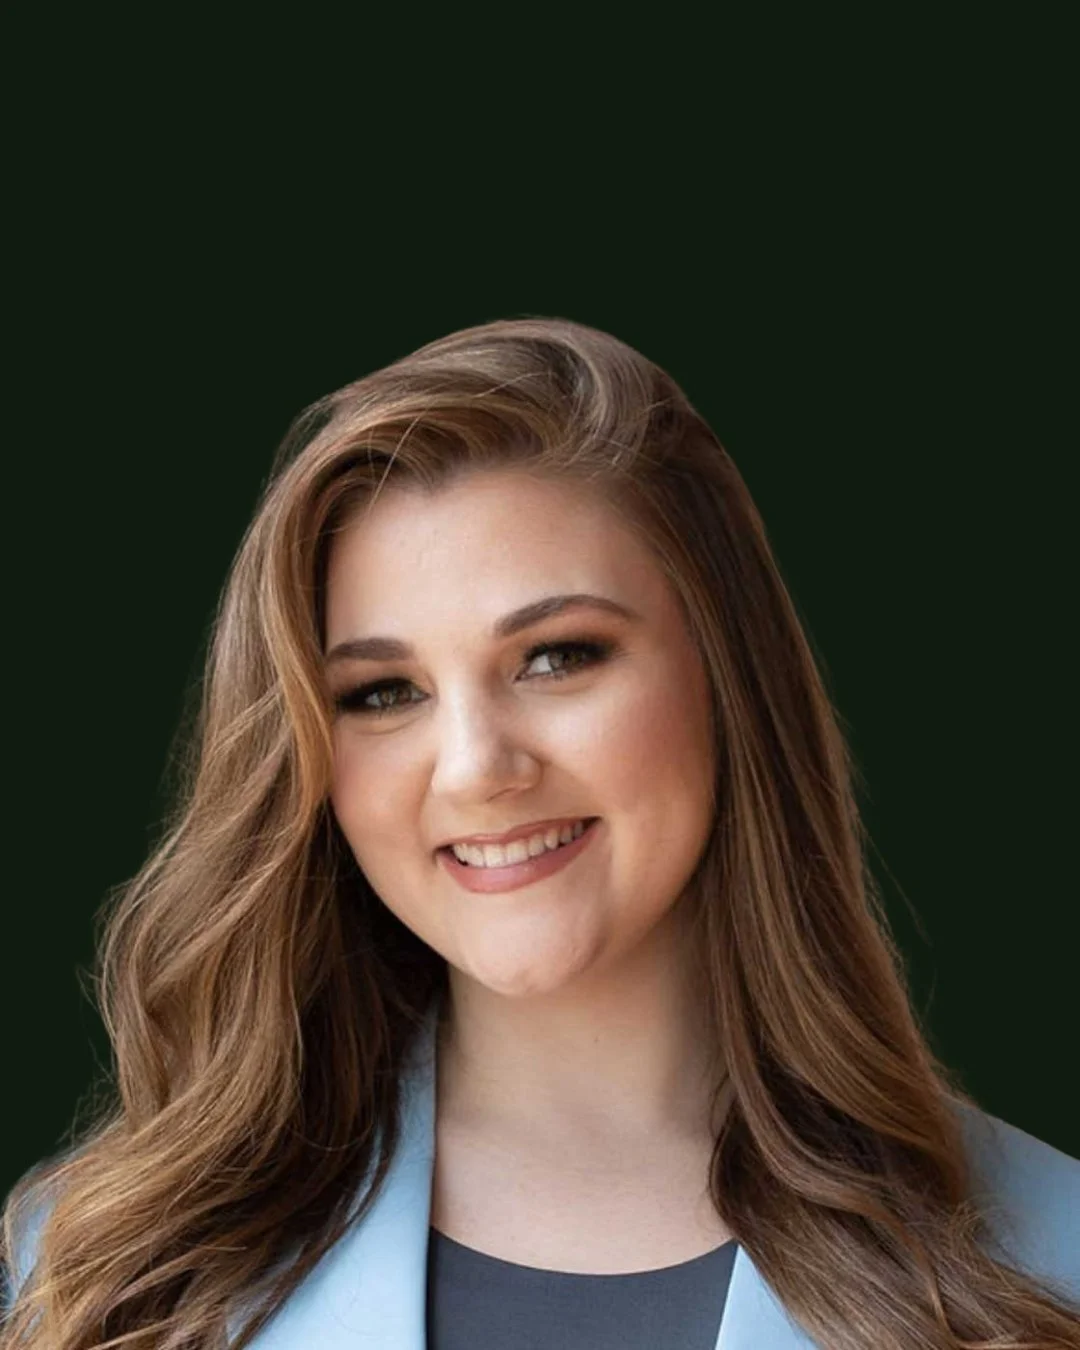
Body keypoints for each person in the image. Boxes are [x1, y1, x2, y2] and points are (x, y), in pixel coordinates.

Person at [2, 318, 1077, 1350]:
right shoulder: (101, 1285)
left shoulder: (1052, 1265)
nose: (476, 768)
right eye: (383, 693)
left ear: (729, 677)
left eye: (558, 656)